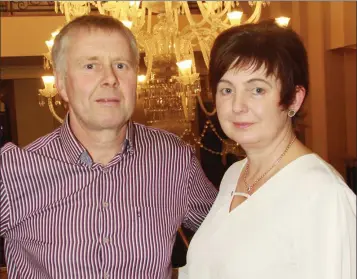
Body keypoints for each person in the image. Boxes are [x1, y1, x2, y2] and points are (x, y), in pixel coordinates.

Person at [0, 15, 218, 279]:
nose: (110, 79)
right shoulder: (12, 169)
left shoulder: (174, 159)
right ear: (61, 84)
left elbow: (232, 236)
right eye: (90, 65)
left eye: (121, 65)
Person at [179, 20, 356, 279]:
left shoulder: (323, 194)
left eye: (257, 89)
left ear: (294, 98)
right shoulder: (235, 174)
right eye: (227, 90)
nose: (238, 105)